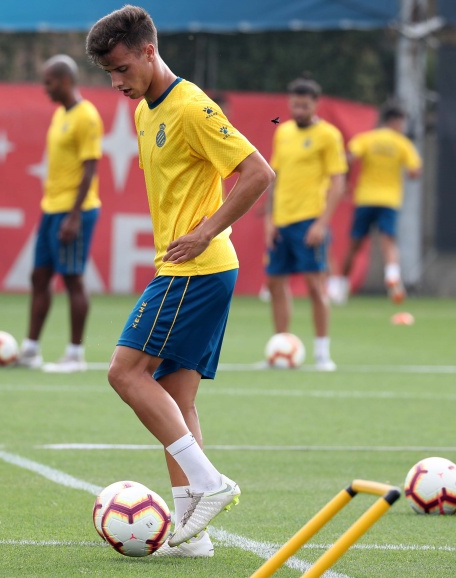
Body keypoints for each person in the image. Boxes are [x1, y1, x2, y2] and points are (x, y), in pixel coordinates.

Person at [86, 6, 274, 555]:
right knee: (176, 397)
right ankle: (195, 533)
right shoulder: (146, 111)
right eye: (108, 74)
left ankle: (210, 483)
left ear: (149, 51)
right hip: (197, 269)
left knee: (125, 372)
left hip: (195, 268)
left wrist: (205, 230)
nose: (116, 83)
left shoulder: (191, 107)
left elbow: (258, 172)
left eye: (122, 69)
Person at [17, 55, 103, 373]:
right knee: (39, 276)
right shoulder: (60, 115)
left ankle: (75, 354)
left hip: (74, 211)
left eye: (49, 82)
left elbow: (90, 167)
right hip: (51, 208)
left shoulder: (87, 116)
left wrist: (74, 215)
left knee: (72, 279)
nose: (45, 88)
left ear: (65, 81)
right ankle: (30, 351)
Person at [265, 76, 347, 371]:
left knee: (315, 286)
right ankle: (280, 346)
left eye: (304, 105)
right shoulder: (283, 131)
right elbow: (274, 178)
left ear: (315, 104)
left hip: (309, 220)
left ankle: (322, 354)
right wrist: (270, 221)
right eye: (294, 105)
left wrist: (322, 223)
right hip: (281, 221)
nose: (298, 110)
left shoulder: (329, 136)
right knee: (275, 283)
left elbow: (338, 182)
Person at [332, 105, 422, 304]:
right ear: (395, 122)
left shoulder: (367, 139)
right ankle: (392, 275)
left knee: (354, 245)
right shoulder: (402, 143)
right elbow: (415, 172)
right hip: (389, 200)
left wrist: (346, 181)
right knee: (388, 240)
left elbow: (348, 157)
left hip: (365, 198)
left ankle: (340, 286)